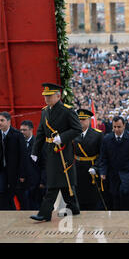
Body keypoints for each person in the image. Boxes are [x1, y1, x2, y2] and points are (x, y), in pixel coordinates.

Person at [30, 83, 82, 221]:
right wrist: (35, 151)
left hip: (63, 151)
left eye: (49, 96)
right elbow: (41, 132)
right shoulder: (45, 111)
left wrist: (62, 138)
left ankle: (44, 213)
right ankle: (73, 208)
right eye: (45, 96)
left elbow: (77, 129)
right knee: (64, 182)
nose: (46, 99)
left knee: (53, 183)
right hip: (50, 151)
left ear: (58, 96)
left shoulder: (67, 110)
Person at [98, 116, 129, 210]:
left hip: (128, 173)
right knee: (114, 197)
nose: (116, 129)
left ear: (124, 126)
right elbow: (103, 157)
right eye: (114, 127)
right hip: (113, 174)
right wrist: (102, 172)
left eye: (119, 127)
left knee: (126, 197)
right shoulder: (107, 139)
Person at [0, 112, 26, 210]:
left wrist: (22, 174)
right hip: (2, 171)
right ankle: (0, 213)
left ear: (9, 121)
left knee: (13, 195)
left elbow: (23, 156)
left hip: (15, 171)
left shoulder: (17, 135)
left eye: (2, 120)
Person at [73, 109, 104, 210]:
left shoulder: (97, 134)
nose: (81, 121)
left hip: (91, 167)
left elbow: (102, 154)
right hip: (77, 167)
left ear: (89, 120)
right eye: (79, 119)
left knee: (92, 197)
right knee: (78, 194)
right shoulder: (73, 133)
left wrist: (96, 167)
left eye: (84, 119)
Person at [19, 120, 46, 210]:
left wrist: (43, 181)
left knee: (36, 205)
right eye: (21, 130)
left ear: (31, 130)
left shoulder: (38, 144)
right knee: (24, 206)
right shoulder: (18, 143)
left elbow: (44, 163)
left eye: (24, 130)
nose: (22, 132)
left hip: (36, 181)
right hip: (23, 182)